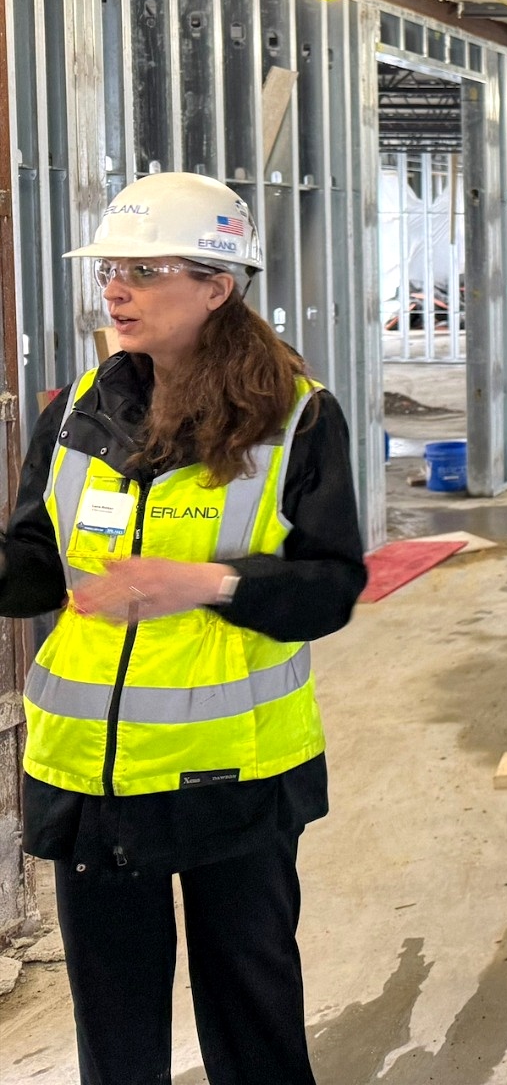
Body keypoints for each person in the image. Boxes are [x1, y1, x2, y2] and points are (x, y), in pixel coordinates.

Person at [0, 172, 368, 1085]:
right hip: (92, 776)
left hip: (231, 775)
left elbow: (331, 587)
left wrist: (203, 583)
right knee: (116, 1035)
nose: (115, 288)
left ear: (218, 284)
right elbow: (33, 565)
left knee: (250, 1020)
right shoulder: (75, 413)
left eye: (145, 268)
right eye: (110, 269)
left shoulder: (296, 418)